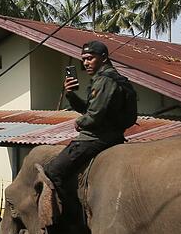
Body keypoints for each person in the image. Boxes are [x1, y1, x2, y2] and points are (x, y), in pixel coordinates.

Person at [43, 40, 131, 195]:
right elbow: (90, 109)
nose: (86, 63)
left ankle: (70, 209)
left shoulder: (105, 80)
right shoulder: (108, 78)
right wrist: (70, 94)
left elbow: (93, 116)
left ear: (104, 58)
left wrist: (79, 122)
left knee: (53, 171)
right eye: (83, 59)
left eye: (90, 58)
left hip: (96, 138)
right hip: (110, 135)